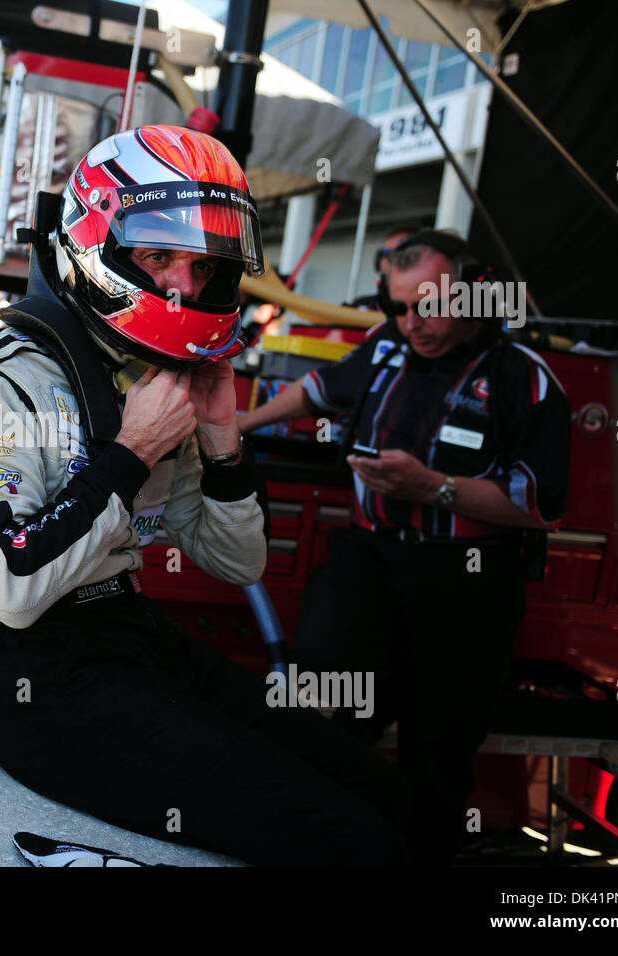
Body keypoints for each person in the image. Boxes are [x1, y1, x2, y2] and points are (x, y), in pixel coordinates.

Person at [0, 125, 409, 865]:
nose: (186, 285)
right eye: (158, 256)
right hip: (40, 676)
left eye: (205, 264)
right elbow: (12, 587)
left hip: (134, 635)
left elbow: (238, 562)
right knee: (353, 840)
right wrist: (132, 452)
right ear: (100, 247)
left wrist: (221, 435)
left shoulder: (147, 377)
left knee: (389, 795)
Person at [240, 229, 572, 863]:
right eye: (398, 306)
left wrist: (434, 489)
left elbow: (538, 505)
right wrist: (233, 424)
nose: (412, 322)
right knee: (318, 704)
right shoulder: (387, 342)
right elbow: (318, 391)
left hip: (465, 585)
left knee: (437, 753)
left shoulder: (522, 378)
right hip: (370, 563)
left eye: (430, 305)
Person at [348, 221, 424, 310]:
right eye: (385, 253)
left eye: (399, 253)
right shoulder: (363, 305)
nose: (386, 260)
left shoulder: (431, 306)